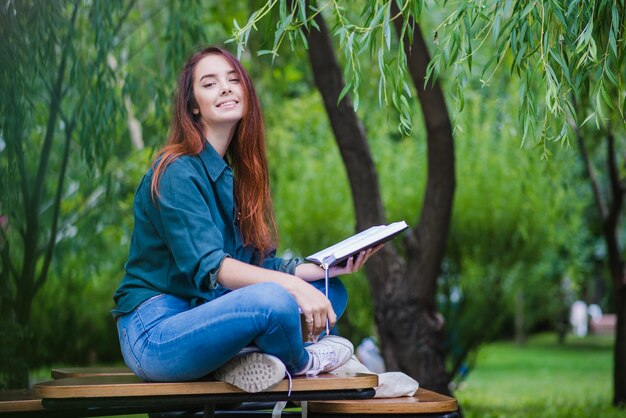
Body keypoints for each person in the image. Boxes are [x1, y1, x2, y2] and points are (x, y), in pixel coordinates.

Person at [112, 45, 381, 393]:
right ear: (193, 106)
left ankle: (244, 358)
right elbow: (217, 269)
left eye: (233, 79)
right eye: (209, 84)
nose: (225, 88)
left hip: (210, 311)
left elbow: (255, 264)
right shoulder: (176, 171)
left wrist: (326, 266)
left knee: (331, 292)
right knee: (276, 300)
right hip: (157, 332)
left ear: (245, 92)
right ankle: (303, 363)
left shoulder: (235, 176)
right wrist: (293, 288)